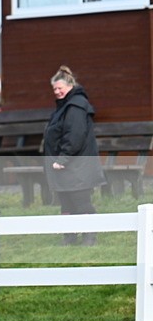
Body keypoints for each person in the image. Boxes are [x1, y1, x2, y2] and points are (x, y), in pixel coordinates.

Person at [43, 66, 106, 246]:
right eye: (54, 89)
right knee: (66, 203)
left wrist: (63, 159)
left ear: (70, 85)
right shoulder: (64, 107)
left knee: (81, 202)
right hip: (65, 167)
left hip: (76, 166)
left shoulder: (76, 106)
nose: (57, 92)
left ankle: (89, 237)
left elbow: (74, 135)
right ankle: (69, 237)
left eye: (60, 88)